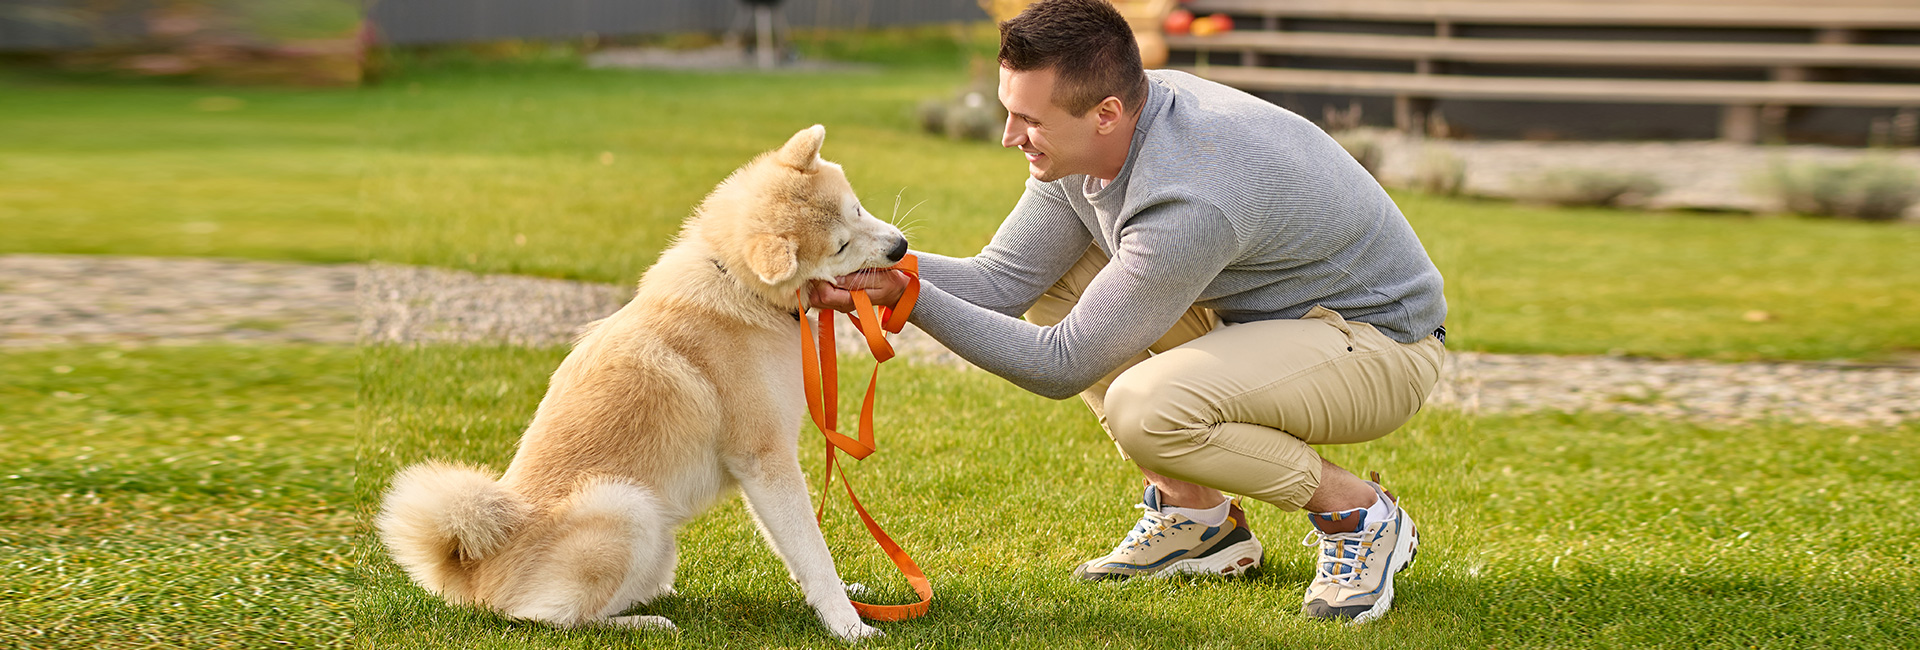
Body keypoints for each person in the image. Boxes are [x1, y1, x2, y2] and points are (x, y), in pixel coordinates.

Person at [810, 0, 1447, 623]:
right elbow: (1002, 281)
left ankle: (1360, 515)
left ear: (1106, 113)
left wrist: (906, 296)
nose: (1009, 137)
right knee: (1062, 279)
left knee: (1149, 410)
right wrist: (853, 263)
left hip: (1379, 347)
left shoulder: (1189, 196)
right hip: (1268, 322)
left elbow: (1061, 365)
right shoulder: (1097, 137)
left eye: (1029, 120)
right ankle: (1197, 520)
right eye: (1009, 111)